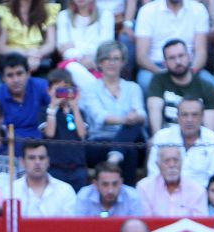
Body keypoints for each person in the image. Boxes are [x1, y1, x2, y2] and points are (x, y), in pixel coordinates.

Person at [81, 40, 145, 186]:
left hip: (129, 139)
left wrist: (134, 118)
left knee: (134, 125)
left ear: (123, 62)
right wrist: (125, 120)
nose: (111, 63)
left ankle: (114, 156)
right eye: (106, 59)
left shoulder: (133, 88)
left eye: (116, 59)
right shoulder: (90, 89)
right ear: (99, 63)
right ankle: (128, 196)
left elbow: (141, 114)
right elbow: (99, 116)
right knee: (129, 150)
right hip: (99, 142)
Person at [134, 0, 214, 96]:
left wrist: (191, 71)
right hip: (156, 66)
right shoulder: (147, 11)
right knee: (146, 82)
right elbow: (141, 55)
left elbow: (201, 52)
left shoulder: (198, 9)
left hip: (189, 67)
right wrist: (161, 73)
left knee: (213, 85)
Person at [146, 97, 214, 190]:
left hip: (203, 197)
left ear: (202, 117)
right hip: (166, 195)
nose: (189, 120)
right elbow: (153, 175)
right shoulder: (162, 137)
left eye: (194, 115)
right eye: (185, 115)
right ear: (177, 117)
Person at [145, 38, 214, 134]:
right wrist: (158, 140)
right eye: (172, 58)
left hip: (198, 143)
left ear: (189, 57)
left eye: (181, 56)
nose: (178, 62)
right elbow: (154, 110)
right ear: (165, 63)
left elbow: (210, 131)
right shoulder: (158, 81)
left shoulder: (207, 87)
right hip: (167, 141)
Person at [41, 68, 88, 189]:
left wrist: (75, 107)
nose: (62, 93)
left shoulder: (79, 111)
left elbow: (82, 133)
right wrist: (53, 107)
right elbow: (49, 133)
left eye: (65, 88)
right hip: (55, 167)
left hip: (78, 167)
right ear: (48, 91)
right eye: (58, 89)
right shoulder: (45, 112)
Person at [56, 0, 114, 93]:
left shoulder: (106, 15)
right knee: (73, 67)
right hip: (72, 64)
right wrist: (82, 58)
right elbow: (63, 49)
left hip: (97, 64)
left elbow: (105, 48)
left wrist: (75, 44)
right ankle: (101, 94)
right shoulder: (64, 16)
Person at [0, 52, 51, 138]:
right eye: (10, 75)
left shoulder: (41, 86)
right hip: (13, 145)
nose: (16, 80)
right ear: (3, 78)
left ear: (28, 73)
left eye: (19, 74)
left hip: (43, 142)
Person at [11, 139, 76, 216]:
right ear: (23, 162)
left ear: (48, 161)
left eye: (41, 158)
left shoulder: (65, 190)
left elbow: (70, 225)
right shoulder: (11, 191)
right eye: (32, 158)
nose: (37, 162)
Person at [137, 143, 207, 216]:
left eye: (176, 160)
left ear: (182, 163)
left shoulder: (197, 190)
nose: (172, 165)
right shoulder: (144, 188)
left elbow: (200, 224)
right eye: (167, 161)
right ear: (158, 165)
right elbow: (144, 222)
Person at [0, 0, 60, 74]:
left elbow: (51, 43)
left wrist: (37, 54)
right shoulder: (5, 10)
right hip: (13, 60)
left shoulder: (47, 9)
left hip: (38, 58)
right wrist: (23, 53)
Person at [74, 160, 144, 216]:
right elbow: (78, 228)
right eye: (105, 184)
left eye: (115, 184)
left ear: (121, 182)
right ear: (95, 184)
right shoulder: (84, 195)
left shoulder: (132, 197)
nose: (110, 190)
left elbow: (137, 229)